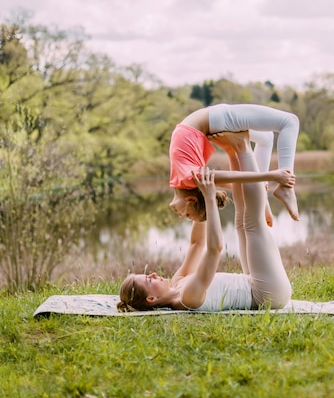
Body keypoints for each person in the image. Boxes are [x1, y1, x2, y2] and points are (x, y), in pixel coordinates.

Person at [118, 131, 292, 312]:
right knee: (252, 224)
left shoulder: (177, 283)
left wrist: (199, 198)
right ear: (151, 298)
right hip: (267, 294)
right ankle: (243, 146)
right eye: (148, 280)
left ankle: (233, 151)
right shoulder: (187, 298)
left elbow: (196, 244)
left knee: (241, 220)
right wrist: (209, 200)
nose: (153, 274)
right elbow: (214, 250)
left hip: (253, 282)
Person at [168, 104, 300, 223]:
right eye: (187, 216)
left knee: (289, 122)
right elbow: (234, 180)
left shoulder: (187, 179)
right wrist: (263, 184)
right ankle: (264, 194)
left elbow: (232, 176)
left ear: (191, 201)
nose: (181, 215)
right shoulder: (187, 180)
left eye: (188, 216)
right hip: (215, 120)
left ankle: (286, 188)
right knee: (268, 137)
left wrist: (271, 176)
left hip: (215, 119)